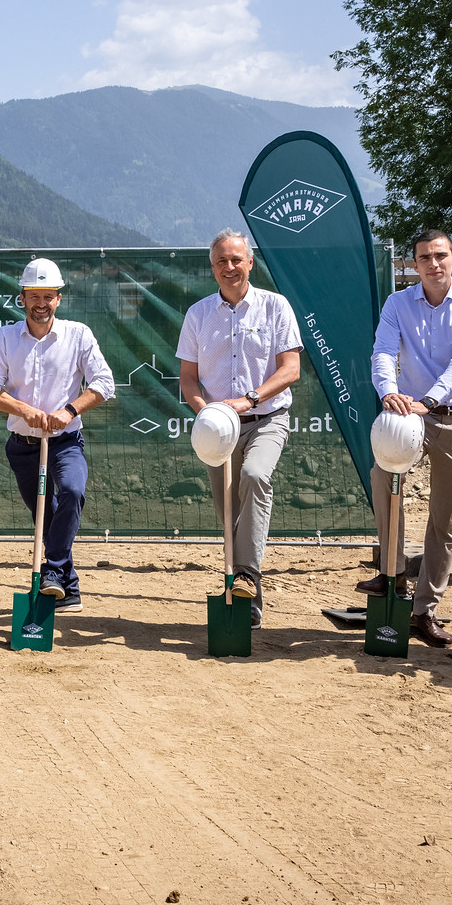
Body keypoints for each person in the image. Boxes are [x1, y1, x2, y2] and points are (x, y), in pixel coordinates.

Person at [365, 228, 452, 646]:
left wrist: (430, 399)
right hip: (408, 416)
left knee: (445, 516)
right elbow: (383, 351)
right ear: (414, 264)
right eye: (424, 257)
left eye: (441, 255)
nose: (433, 263)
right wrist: (387, 391)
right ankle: (393, 574)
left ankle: (424, 611)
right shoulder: (397, 303)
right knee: (383, 483)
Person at [176, 229, 303, 627]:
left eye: (236, 259)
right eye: (221, 262)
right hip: (217, 429)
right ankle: (245, 598)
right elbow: (188, 380)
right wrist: (206, 414)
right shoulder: (198, 315)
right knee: (228, 513)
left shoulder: (275, 307)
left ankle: (246, 577)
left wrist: (249, 399)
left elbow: (291, 369)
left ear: (250, 262)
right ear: (212, 268)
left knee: (255, 475)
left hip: (267, 418)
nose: (229, 267)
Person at [0, 258, 116, 611]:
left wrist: (68, 411)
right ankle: (67, 588)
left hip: (66, 441)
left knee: (72, 490)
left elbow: (104, 383)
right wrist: (25, 410)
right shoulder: (6, 337)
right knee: (45, 514)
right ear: (21, 298)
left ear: (59, 299)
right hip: (23, 446)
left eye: (49, 295)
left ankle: (53, 571)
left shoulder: (78, 335)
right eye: (34, 295)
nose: (41, 303)